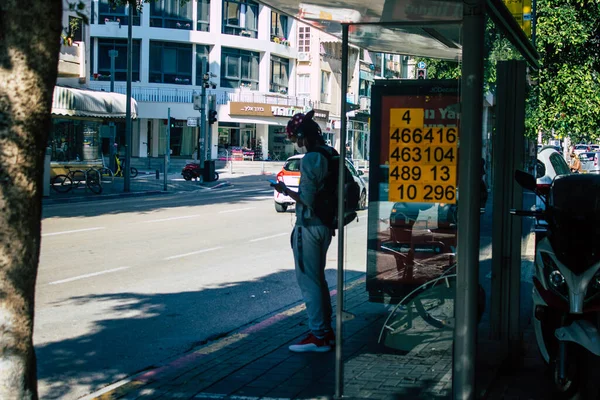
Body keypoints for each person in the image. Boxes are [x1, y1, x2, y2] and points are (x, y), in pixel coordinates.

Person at [272, 110, 336, 353]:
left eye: (296, 139)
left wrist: (286, 191)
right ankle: (325, 331)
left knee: (309, 281)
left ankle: (319, 335)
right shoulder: (330, 154)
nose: (296, 144)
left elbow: (307, 198)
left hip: (308, 226)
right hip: (326, 225)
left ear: (303, 137)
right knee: (318, 280)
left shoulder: (310, 159)